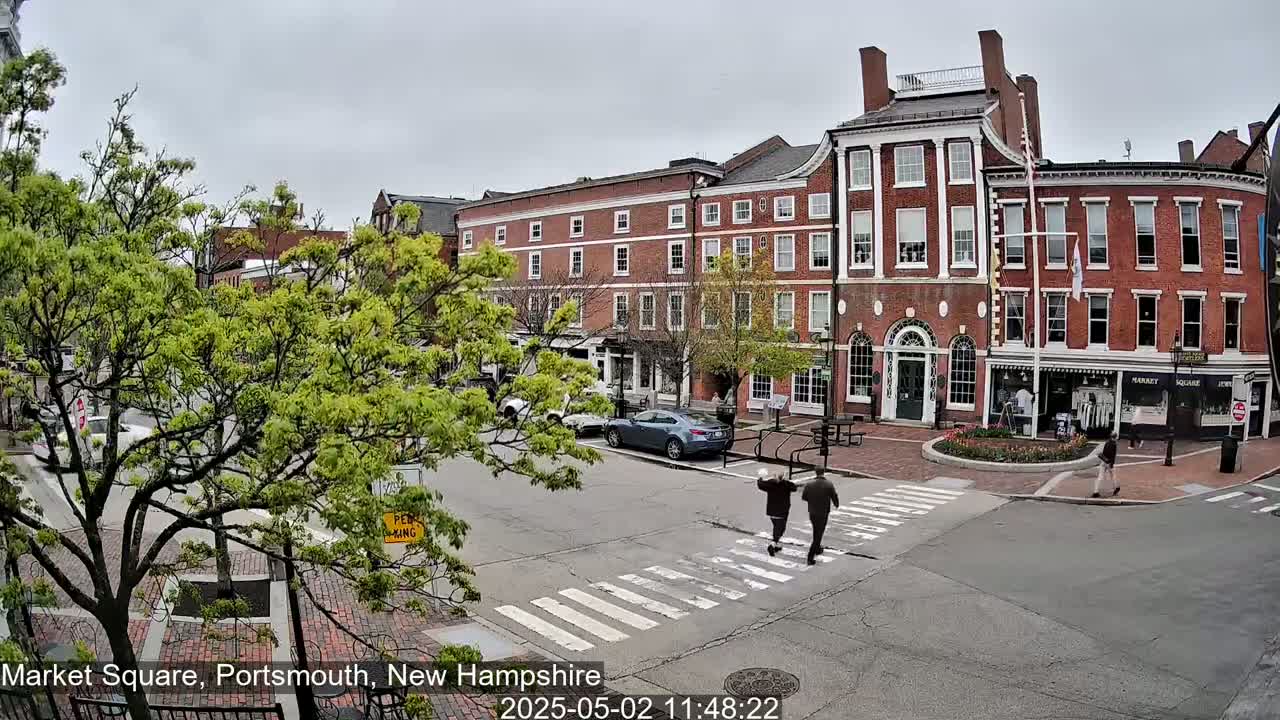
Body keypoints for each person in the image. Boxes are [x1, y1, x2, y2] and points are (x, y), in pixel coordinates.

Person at [800, 468, 840, 565]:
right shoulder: (828, 484)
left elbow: (804, 497)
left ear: (816, 472)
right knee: (819, 533)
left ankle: (817, 548)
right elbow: (834, 496)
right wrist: (836, 504)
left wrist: (812, 500)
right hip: (823, 512)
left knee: (816, 530)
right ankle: (811, 555)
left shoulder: (809, 484)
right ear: (823, 473)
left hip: (813, 512)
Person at [756, 469, 797, 556]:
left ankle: (776, 545)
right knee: (781, 529)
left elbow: (760, 485)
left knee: (776, 527)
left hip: (771, 511)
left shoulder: (770, 483)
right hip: (782, 511)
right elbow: (794, 488)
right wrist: (786, 481)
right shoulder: (786, 484)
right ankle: (773, 544)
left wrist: (760, 477)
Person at [1093, 432, 1119, 498]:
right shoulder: (1114, 444)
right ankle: (1116, 488)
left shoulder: (1107, 442)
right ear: (1115, 437)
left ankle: (1095, 491)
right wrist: (1111, 464)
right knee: (1113, 476)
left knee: (1100, 477)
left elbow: (1104, 452)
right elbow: (1113, 455)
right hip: (1109, 463)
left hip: (1104, 461)